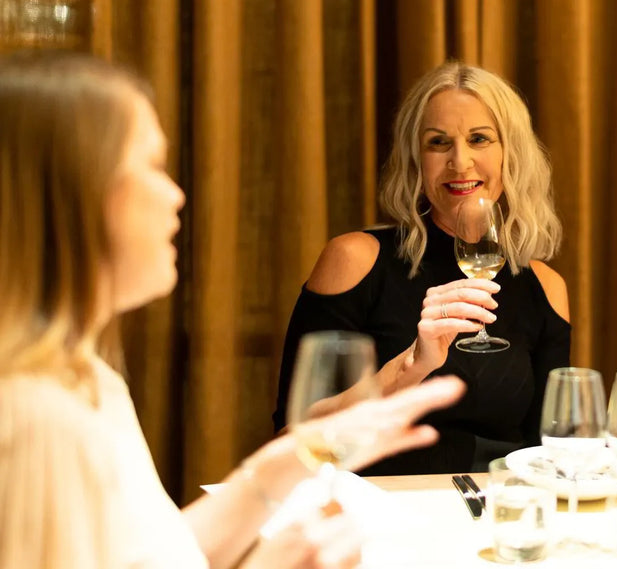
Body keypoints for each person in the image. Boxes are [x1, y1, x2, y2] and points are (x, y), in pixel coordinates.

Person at [0, 52, 465, 569]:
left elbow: (153, 555)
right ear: (71, 196)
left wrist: (281, 467)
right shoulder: (33, 414)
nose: (175, 195)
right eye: (150, 167)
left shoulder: (86, 377)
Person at [274, 61, 570, 474]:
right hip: (377, 514)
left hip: (493, 516)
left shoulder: (545, 286)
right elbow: (292, 439)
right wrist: (409, 368)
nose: (460, 161)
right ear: (417, 160)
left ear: (511, 154)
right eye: (438, 143)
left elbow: (549, 450)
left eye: (479, 139)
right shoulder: (355, 260)